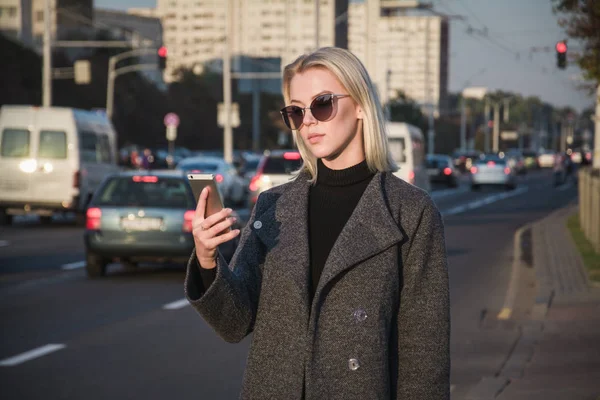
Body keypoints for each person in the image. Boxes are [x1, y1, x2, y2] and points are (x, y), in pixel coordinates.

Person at [185, 47, 450, 399]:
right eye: (296, 111)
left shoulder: (411, 211)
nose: (308, 120)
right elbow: (234, 323)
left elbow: (425, 357)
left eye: (322, 104)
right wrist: (207, 260)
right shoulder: (274, 206)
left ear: (360, 105)